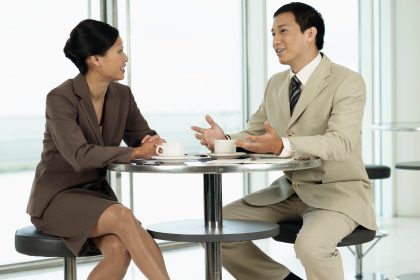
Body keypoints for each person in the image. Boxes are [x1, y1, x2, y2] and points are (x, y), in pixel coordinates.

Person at [191, 2, 375, 280]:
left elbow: (340, 143)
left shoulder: (347, 81)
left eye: (283, 31)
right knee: (217, 228)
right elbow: (255, 133)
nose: (275, 40)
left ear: (310, 33)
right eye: (273, 33)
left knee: (311, 247)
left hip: (337, 193)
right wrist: (226, 140)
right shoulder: (276, 83)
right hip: (289, 191)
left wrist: (283, 146)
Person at [26, 19, 170, 280]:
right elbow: (79, 155)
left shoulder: (122, 95)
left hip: (95, 196)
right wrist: (137, 153)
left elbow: (141, 136)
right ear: (95, 59)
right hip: (56, 199)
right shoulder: (60, 98)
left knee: (118, 250)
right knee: (124, 218)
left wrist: (154, 143)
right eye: (119, 50)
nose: (125, 57)